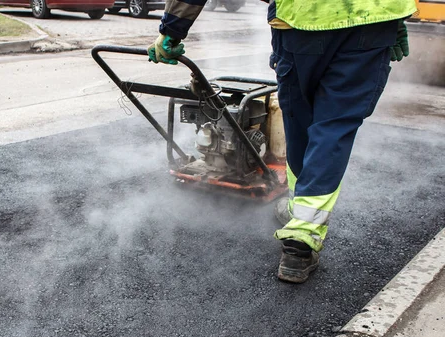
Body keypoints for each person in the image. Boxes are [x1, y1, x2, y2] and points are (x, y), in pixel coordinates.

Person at [148, 0, 417, 283]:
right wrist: (396, 20)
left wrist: (172, 29)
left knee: (300, 123)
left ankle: (300, 228)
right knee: (333, 127)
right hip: (372, 20)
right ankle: (302, 220)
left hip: (300, 19)